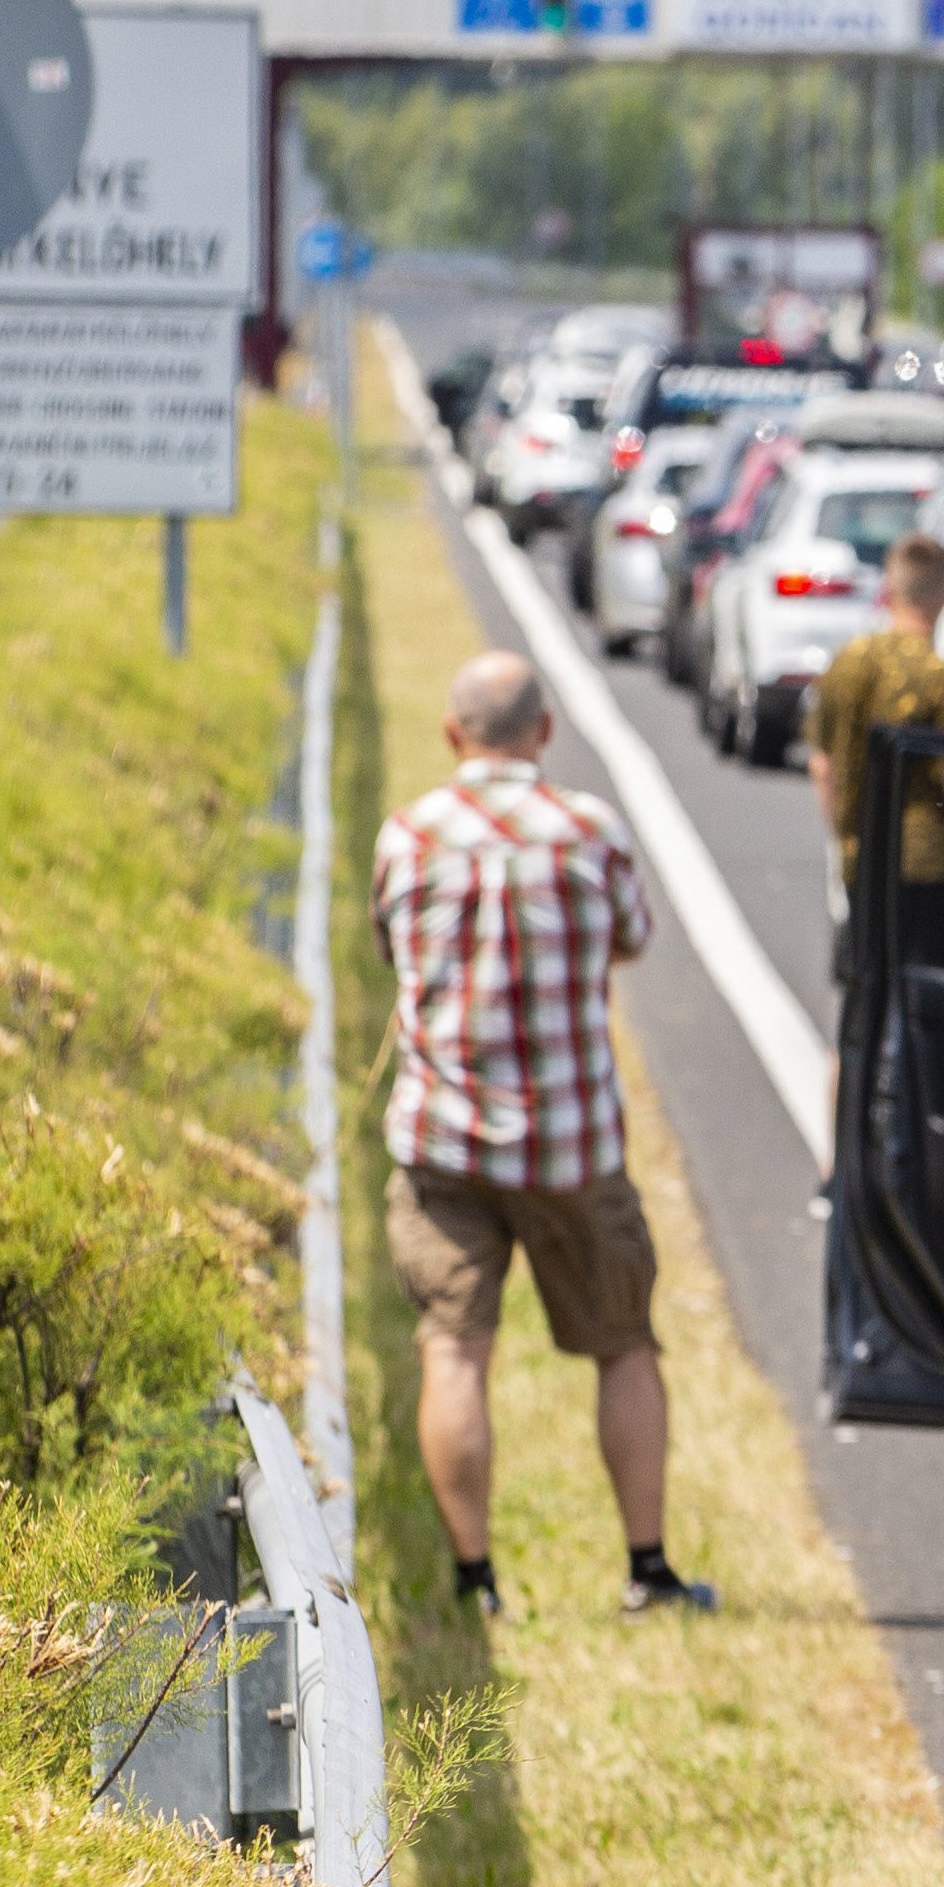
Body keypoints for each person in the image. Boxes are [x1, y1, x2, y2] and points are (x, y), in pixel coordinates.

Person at [374, 650, 709, 1620]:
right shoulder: (586, 830)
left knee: (454, 1347)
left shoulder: (408, 836)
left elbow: (391, 949)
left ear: (451, 734)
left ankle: (475, 1580)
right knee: (623, 1342)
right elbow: (630, 936)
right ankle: (646, 1567)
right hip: (570, 1144)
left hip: (444, 1143)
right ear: (543, 733)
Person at [808, 532, 944, 982]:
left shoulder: (849, 661)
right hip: (930, 871)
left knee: (863, 1005)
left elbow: (822, 766)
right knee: (923, 1010)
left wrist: (845, 836)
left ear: (889, 588)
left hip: (865, 862)